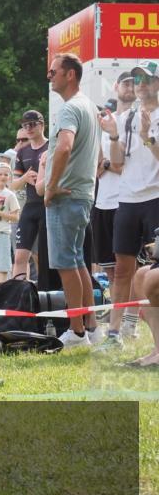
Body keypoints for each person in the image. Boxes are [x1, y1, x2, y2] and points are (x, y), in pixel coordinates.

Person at [44, 54, 103, 348]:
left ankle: (77, 331)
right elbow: (99, 156)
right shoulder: (89, 106)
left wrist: (52, 186)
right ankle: (91, 326)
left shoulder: (70, 108)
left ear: (70, 75)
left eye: (53, 71)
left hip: (65, 197)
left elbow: (64, 146)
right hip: (82, 195)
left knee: (67, 265)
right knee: (78, 263)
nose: (49, 76)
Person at [100, 63, 159, 347]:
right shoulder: (127, 117)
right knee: (123, 269)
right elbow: (117, 162)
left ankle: (151, 337)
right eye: (137, 79)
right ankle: (114, 333)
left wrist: (147, 138)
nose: (141, 84)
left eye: (147, 79)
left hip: (155, 198)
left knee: (155, 271)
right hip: (127, 200)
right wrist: (113, 135)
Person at [92, 73, 135, 281]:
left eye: (134, 84)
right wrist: (108, 164)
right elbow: (95, 168)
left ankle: (133, 303)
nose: (130, 88)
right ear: (116, 86)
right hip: (103, 202)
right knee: (109, 269)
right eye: (126, 84)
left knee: (129, 267)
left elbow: (129, 168)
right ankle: (116, 302)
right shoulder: (105, 122)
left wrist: (108, 164)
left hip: (127, 201)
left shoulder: (138, 120)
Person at [11, 110, 48, 280]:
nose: (29, 128)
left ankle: (45, 290)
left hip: (48, 205)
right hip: (30, 205)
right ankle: (18, 291)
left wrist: (42, 178)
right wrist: (25, 178)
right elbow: (13, 184)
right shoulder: (22, 152)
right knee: (20, 256)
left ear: (42, 125)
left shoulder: (51, 147)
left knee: (43, 256)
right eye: (25, 125)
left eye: (32, 124)